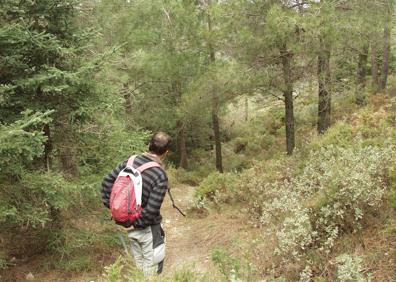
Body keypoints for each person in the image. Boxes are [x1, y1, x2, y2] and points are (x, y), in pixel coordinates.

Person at [101, 132, 171, 276]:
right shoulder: (159, 175)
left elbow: (106, 182)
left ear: (149, 145)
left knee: (139, 270)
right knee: (152, 271)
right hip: (148, 230)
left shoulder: (129, 162)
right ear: (166, 152)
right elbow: (151, 211)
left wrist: (118, 211)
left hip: (129, 228)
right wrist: (135, 223)